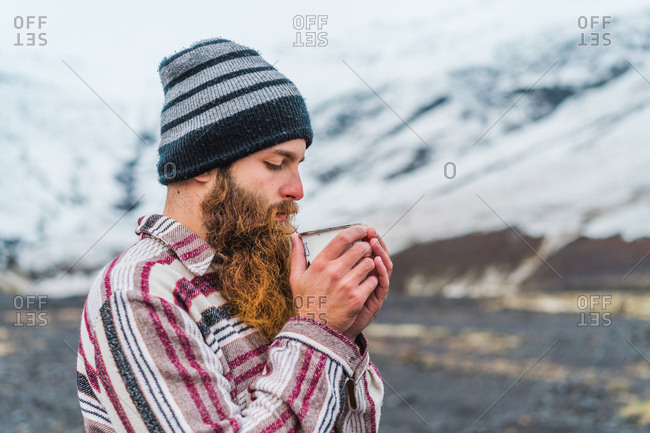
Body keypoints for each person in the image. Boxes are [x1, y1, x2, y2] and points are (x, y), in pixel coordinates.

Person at [76, 37, 391, 432]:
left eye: (298, 164)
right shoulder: (138, 293)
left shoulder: (255, 275)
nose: (298, 189)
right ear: (202, 165)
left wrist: (341, 331)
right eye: (276, 163)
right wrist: (317, 330)